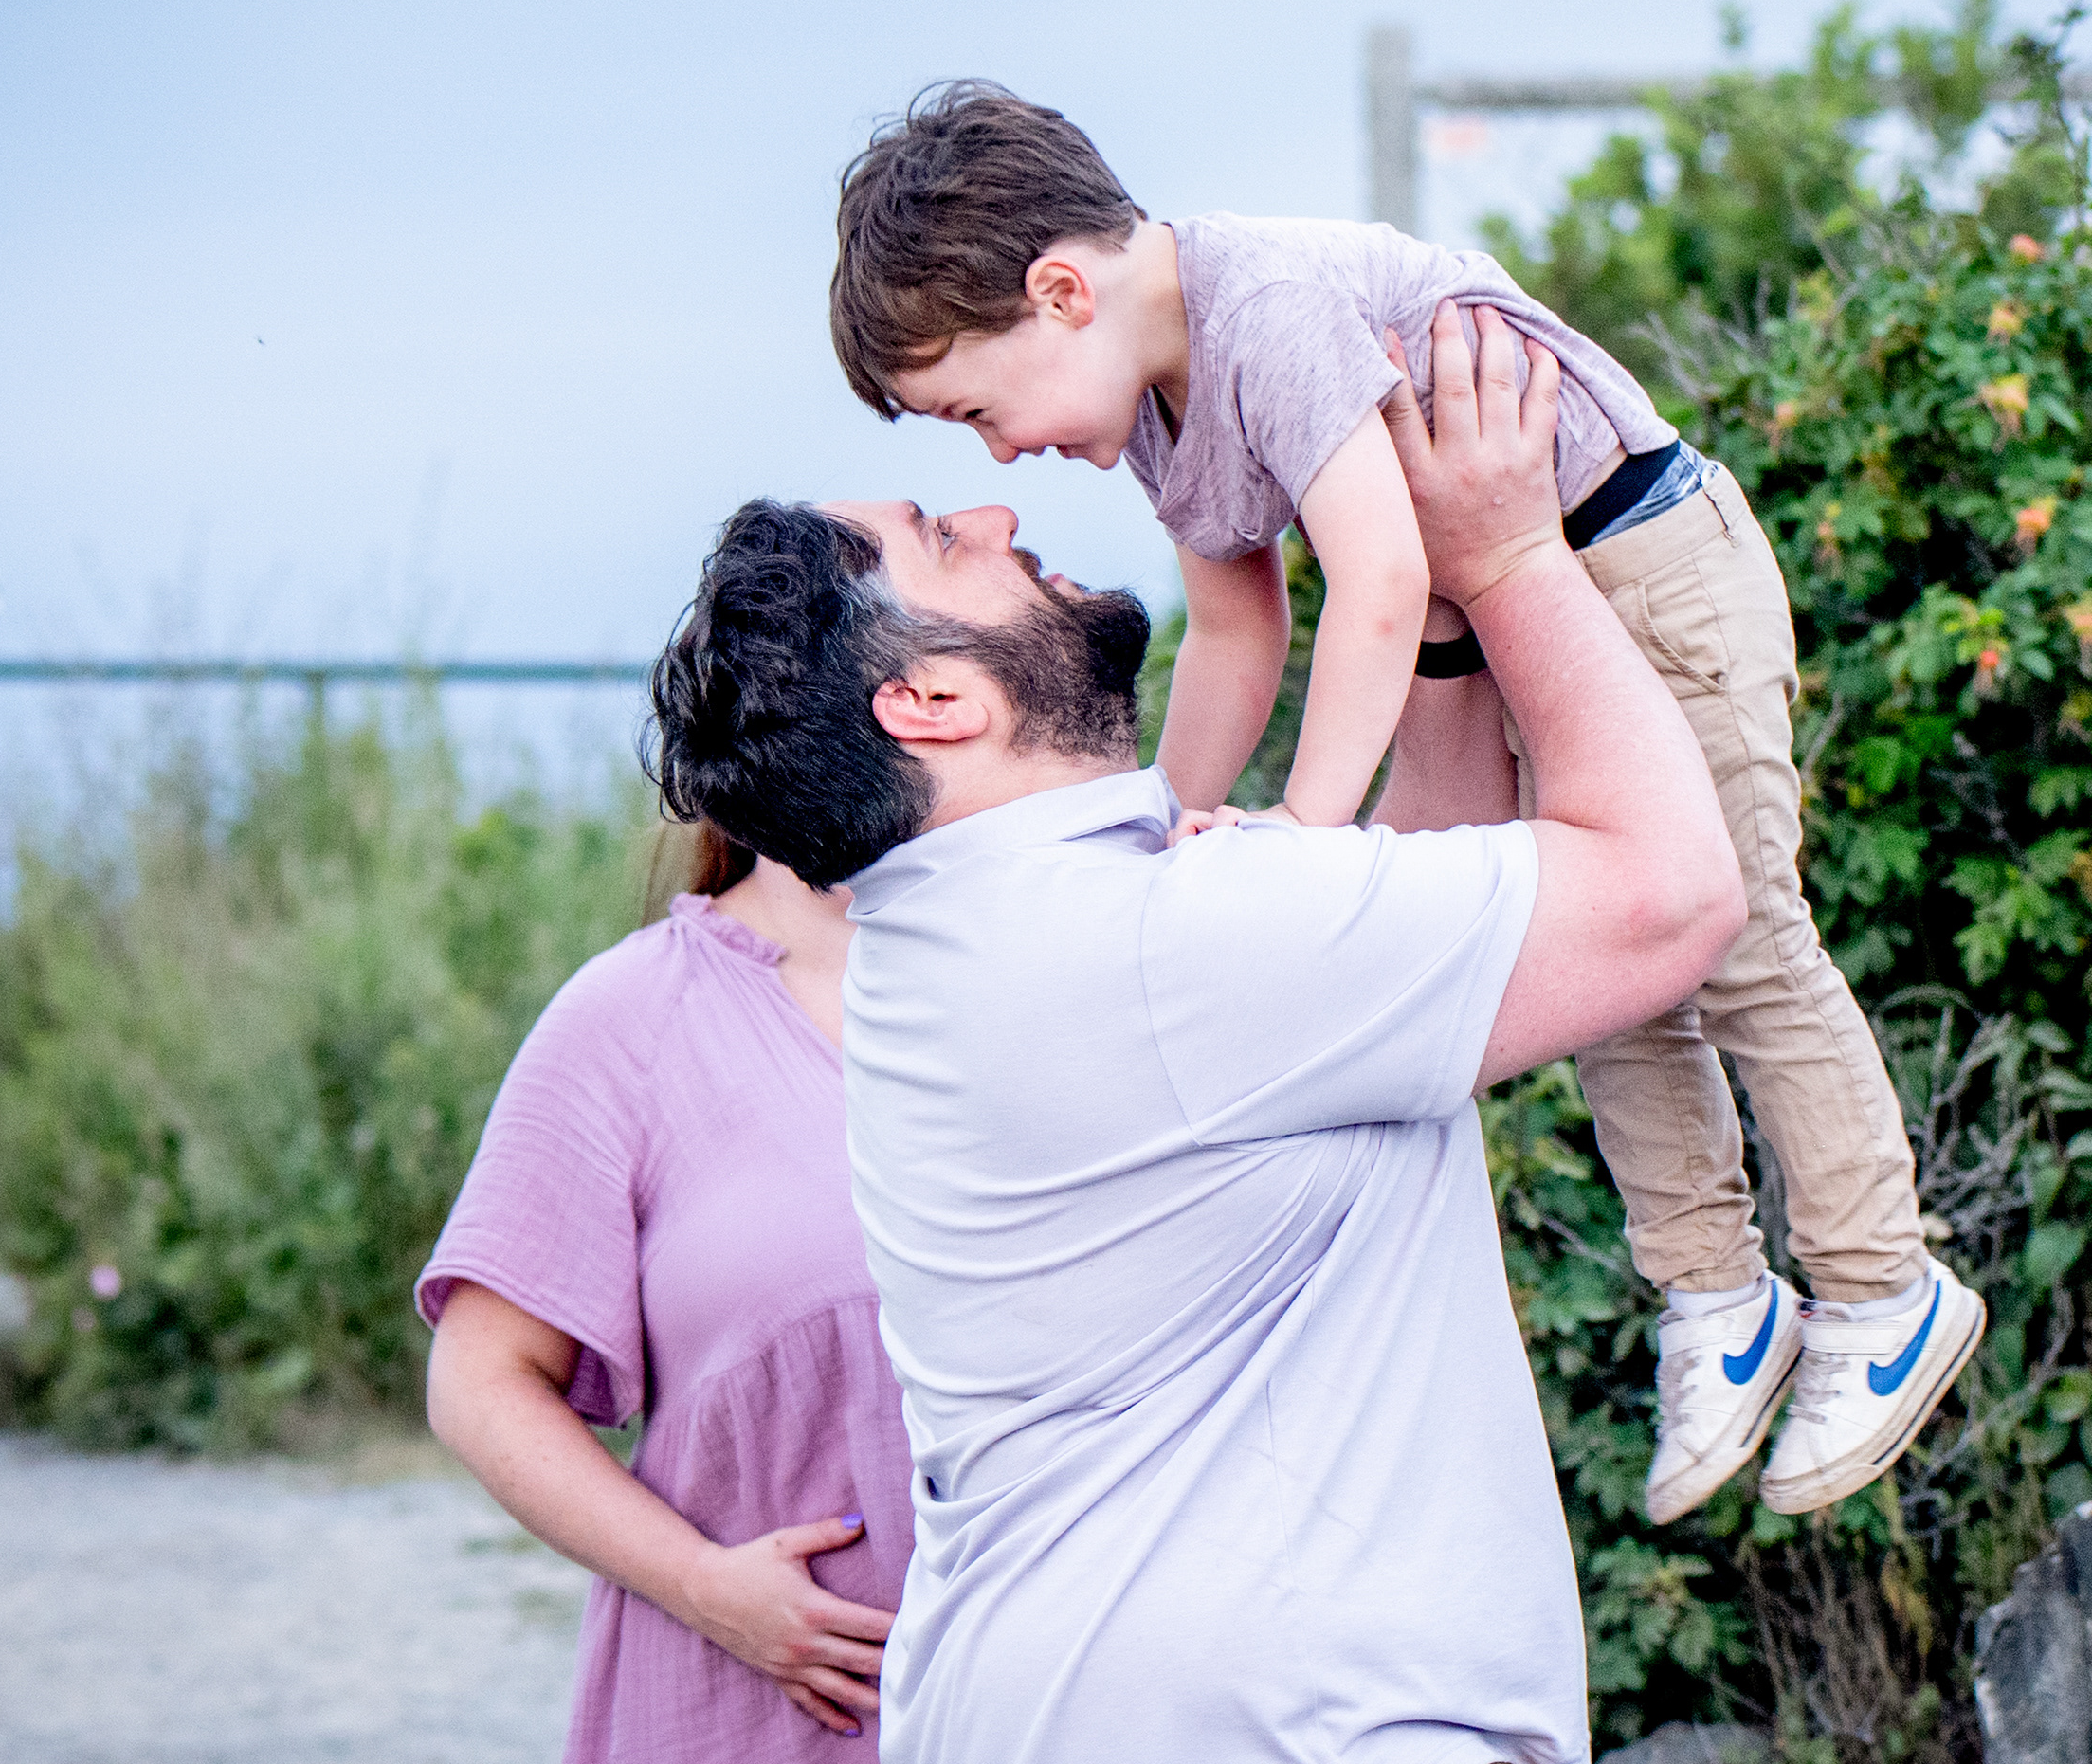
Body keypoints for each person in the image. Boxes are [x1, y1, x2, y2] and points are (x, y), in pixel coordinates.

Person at [648, 308, 1737, 1764]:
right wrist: (1515, 555)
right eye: (939, 539)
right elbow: (1672, 897)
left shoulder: (980, 944)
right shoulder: (1154, 949)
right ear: (931, 700)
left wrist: (1435, 627)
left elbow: (1417, 927)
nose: (997, 512)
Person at [826, 82, 1982, 1528]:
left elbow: (1380, 581)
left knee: (1740, 939)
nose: (999, 456)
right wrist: (1157, 834)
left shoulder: (1264, 310)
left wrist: (1307, 839)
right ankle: (1716, 1293)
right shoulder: (1158, 405)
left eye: (980, 411)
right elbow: (1238, 632)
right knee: (1617, 977)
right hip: (1523, 609)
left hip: (1644, 562)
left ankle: (1883, 1290)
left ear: (1061, 294)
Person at [414, 826, 968, 1764]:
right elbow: (483, 1380)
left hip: (1029, 1752)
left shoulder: (1049, 967)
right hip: (760, 1728)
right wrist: (710, 1588)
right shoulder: (634, 1016)